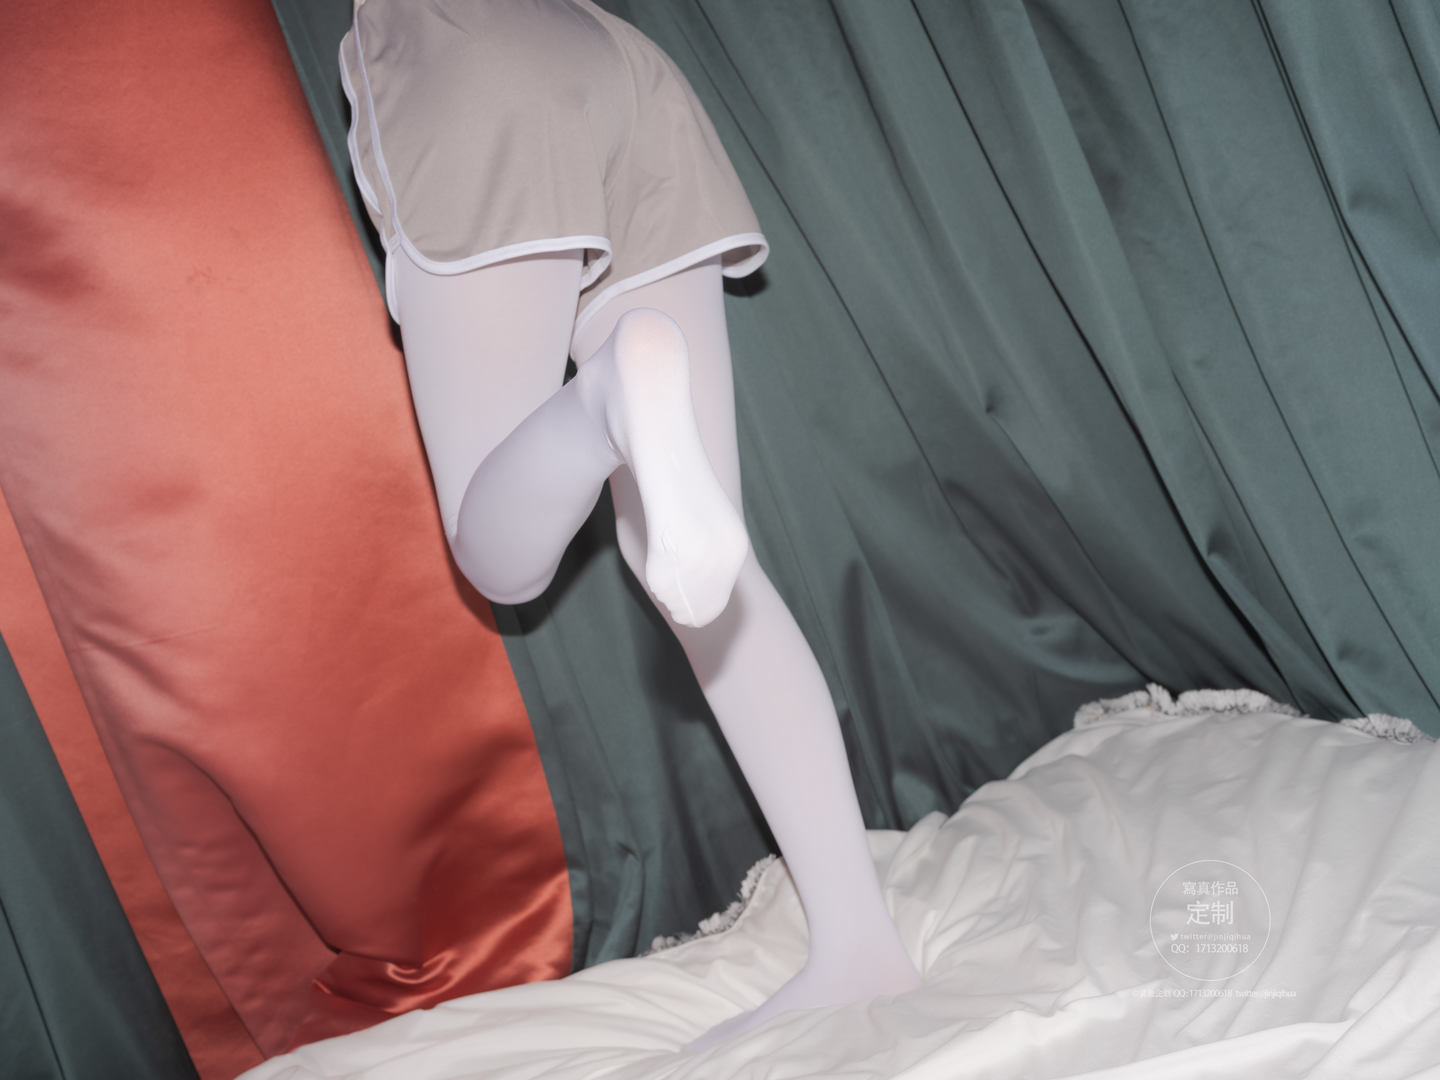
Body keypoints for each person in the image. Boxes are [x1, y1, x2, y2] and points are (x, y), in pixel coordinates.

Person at [340, 0, 920, 1048]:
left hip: (471, 62)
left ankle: (608, 399)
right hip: (621, 67)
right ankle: (859, 943)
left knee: (500, 560)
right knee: (710, 585)